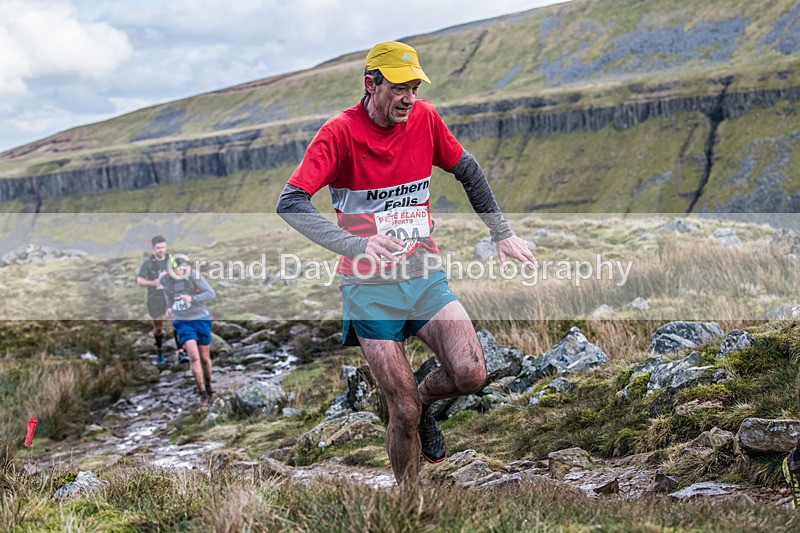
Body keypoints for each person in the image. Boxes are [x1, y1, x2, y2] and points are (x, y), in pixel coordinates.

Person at [276, 40, 536, 486]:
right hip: (368, 289)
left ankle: (423, 402)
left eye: (414, 87)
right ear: (370, 84)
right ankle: (411, 504)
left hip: (422, 274)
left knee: (471, 372)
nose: (409, 98)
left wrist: (502, 232)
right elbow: (291, 201)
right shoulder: (339, 133)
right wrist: (355, 246)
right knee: (403, 411)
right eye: (399, 87)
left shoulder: (425, 118)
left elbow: (468, 170)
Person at [160, 256, 217, 407]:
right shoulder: (165, 280)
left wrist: (192, 298)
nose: (176, 273)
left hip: (200, 318)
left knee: (205, 358)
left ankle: (210, 387)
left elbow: (211, 294)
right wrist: (169, 308)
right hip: (183, 322)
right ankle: (202, 393)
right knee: (194, 357)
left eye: (178, 269)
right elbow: (168, 297)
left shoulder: (193, 275)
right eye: (172, 271)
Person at [136, 235, 183, 365]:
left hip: (170, 296)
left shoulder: (172, 260)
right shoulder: (148, 263)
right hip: (155, 298)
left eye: (163, 247)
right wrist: (153, 282)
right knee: (158, 327)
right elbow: (139, 280)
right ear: (153, 249)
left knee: (176, 323)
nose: (161, 250)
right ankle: (160, 353)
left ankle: (181, 352)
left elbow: (181, 273)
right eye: (158, 248)